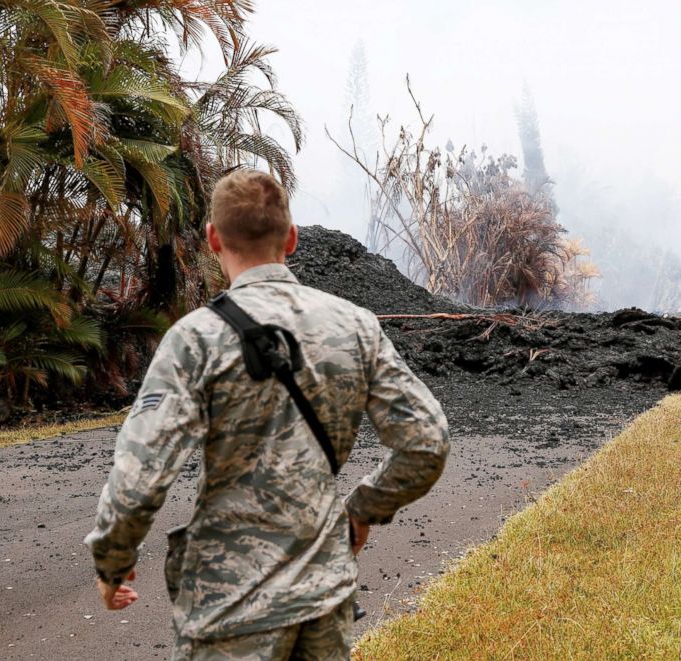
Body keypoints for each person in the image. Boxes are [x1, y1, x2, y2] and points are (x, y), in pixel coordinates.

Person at [85, 170, 450, 660]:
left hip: (230, 608)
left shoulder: (195, 339)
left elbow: (138, 479)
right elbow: (426, 440)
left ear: (213, 238)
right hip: (325, 600)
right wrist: (363, 508)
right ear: (292, 238)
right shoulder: (356, 326)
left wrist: (113, 563)